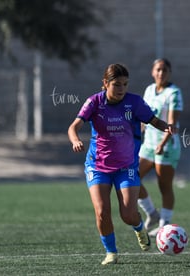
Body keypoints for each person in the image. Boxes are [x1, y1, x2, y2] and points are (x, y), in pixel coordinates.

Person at [68, 63, 173, 265]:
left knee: (128, 215)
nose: (121, 89)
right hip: (97, 166)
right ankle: (111, 252)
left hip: (126, 166)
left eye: (125, 84)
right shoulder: (94, 102)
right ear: (105, 83)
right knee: (102, 211)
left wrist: (166, 127)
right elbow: (74, 126)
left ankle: (139, 227)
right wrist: (75, 140)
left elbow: (153, 120)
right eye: (116, 84)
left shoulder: (134, 102)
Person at [137, 58, 184, 237]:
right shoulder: (149, 90)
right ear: (152, 72)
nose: (161, 73)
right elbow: (143, 117)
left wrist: (162, 144)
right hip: (148, 144)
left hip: (166, 145)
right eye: (158, 70)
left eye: (164, 70)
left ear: (169, 72)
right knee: (132, 176)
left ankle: (164, 226)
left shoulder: (174, 93)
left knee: (164, 186)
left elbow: (172, 123)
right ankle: (152, 213)